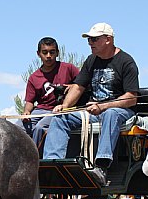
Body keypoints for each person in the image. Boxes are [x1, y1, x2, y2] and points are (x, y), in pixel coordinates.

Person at [42, 22, 140, 186]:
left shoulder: (126, 61)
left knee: (111, 114)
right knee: (60, 118)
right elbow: (78, 87)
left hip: (121, 112)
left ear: (108, 39)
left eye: (94, 39)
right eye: (89, 40)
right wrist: (64, 107)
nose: (90, 43)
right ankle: (52, 167)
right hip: (94, 111)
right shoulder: (91, 60)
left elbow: (131, 98)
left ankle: (101, 166)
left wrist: (103, 106)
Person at [19, 37, 79, 147]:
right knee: (17, 128)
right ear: (38, 54)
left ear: (57, 53)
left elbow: (82, 85)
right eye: (44, 52)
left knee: (40, 128)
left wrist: (72, 87)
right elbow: (30, 101)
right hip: (40, 110)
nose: (48, 56)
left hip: (61, 110)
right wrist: (26, 112)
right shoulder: (34, 77)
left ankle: (37, 156)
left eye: (52, 52)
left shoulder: (68, 68)